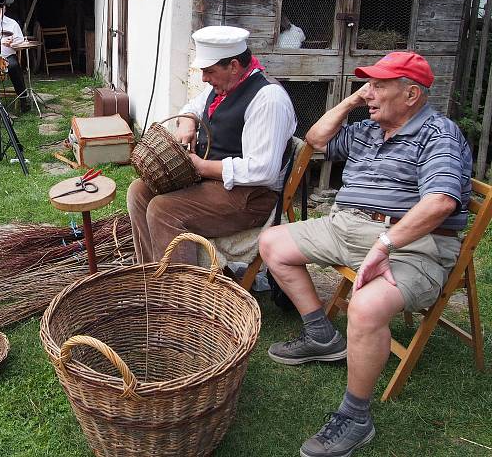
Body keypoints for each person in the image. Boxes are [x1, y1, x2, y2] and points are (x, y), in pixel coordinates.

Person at [258, 51, 472, 457]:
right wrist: (353, 101)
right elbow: (317, 139)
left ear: (411, 94)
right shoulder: (367, 128)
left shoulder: (438, 135)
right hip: (348, 225)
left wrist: (385, 244)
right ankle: (321, 335)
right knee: (272, 243)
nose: (369, 93)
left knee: (367, 307)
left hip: (410, 243)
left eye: (379, 85)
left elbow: (441, 202)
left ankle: (356, 416)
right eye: (367, 85)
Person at [126, 25, 296, 264]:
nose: (204, 78)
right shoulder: (223, 87)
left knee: (164, 210)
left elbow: (263, 171)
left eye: (209, 71)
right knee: (139, 191)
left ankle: (182, 292)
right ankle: (152, 275)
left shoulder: (269, 100)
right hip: (215, 185)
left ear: (234, 66)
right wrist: (187, 121)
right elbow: (194, 107)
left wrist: (201, 167)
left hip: (251, 197)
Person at [0, 8, 31, 113]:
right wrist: (1, 41)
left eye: (0, 7)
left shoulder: (12, 23)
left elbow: (20, 41)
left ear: (4, 9)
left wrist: (12, 43)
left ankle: (23, 100)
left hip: (7, 55)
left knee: (14, 66)